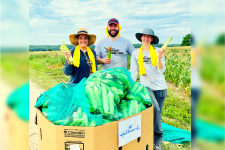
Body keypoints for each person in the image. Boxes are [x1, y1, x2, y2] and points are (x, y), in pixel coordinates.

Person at [130, 28, 166, 150]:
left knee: (158, 112)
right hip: (146, 86)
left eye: (148, 36)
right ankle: (158, 136)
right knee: (154, 108)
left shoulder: (157, 51)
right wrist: (130, 85)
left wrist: (160, 58)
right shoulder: (135, 54)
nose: (146, 38)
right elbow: (134, 72)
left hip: (160, 86)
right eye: (144, 36)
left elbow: (162, 70)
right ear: (141, 38)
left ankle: (153, 134)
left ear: (151, 39)